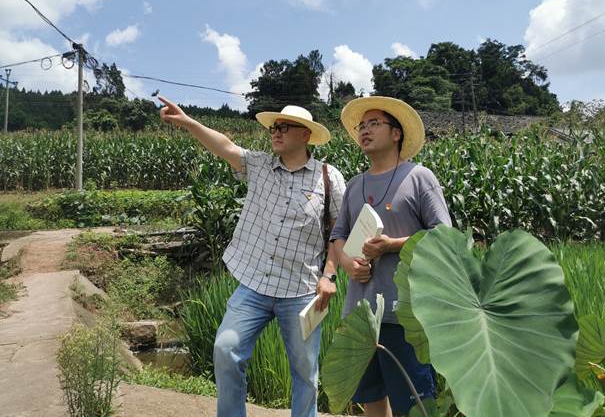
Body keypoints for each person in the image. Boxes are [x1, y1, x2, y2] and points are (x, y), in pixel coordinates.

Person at [159, 98, 346, 417]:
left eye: (283, 128)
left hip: (301, 290)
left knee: (306, 374)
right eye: (274, 127)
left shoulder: (328, 179)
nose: (275, 132)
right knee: (225, 348)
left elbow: (339, 232)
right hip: (254, 285)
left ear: (305, 135)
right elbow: (225, 146)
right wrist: (189, 122)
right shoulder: (259, 165)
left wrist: (329, 276)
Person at [330, 96, 452, 416]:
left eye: (374, 124)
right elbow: (337, 236)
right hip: (362, 313)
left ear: (396, 134)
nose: (365, 131)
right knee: (371, 398)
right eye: (361, 126)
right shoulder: (355, 185)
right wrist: (347, 263)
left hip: (406, 313)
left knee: (413, 403)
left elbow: (444, 234)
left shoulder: (418, 177)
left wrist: (392, 245)